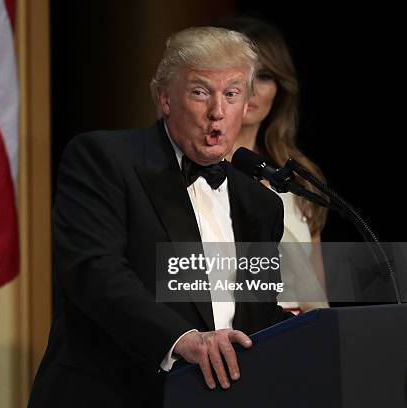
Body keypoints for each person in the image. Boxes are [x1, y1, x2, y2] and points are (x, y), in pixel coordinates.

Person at [28, 27, 292, 408]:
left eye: (231, 94)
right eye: (200, 92)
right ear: (164, 98)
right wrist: (183, 339)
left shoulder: (260, 203)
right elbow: (95, 271)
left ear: (246, 104)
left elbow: (257, 312)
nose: (217, 111)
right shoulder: (104, 159)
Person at [219, 17, 329, 312]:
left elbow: (317, 297)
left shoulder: (300, 177)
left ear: (280, 88)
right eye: (240, 73)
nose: (252, 89)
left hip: (302, 342)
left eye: (265, 76)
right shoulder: (192, 171)